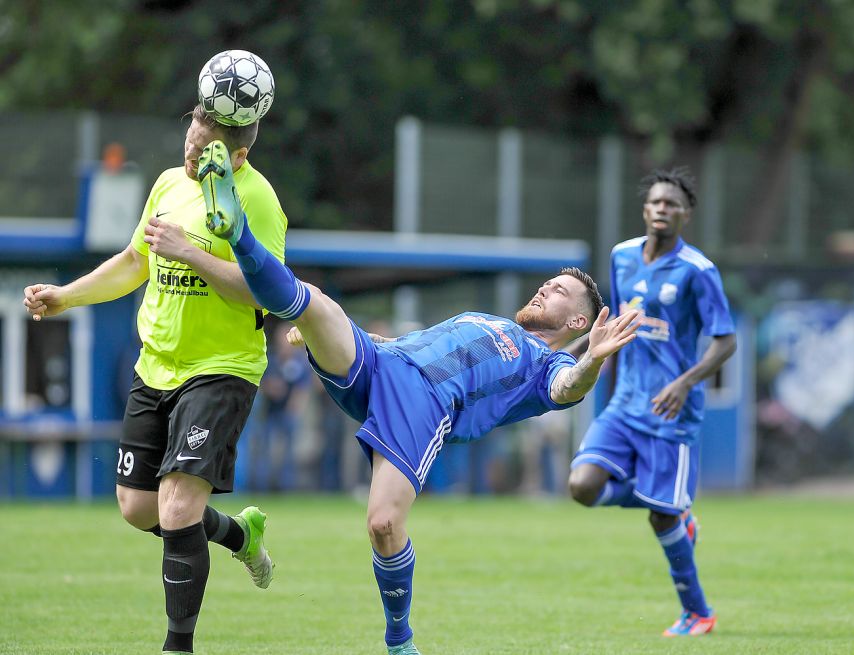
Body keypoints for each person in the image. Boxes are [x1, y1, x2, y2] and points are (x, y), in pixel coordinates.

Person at [195, 139, 641, 655]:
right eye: (546, 284)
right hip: (383, 364)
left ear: (578, 323)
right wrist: (332, 333)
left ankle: (400, 642)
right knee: (312, 303)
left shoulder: (551, 366)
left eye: (558, 292)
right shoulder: (489, 319)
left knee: (383, 524)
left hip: (423, 403)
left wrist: (594, 359)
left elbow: (571, 388)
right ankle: (237, 227)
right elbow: (409, 344)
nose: (543, 290)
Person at [23, 104, 286, 655]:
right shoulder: (168, 183)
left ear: (238, 155)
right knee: (139, 508)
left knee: (177, 507)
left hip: (221, 369)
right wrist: (65, 296)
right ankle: (240, 534)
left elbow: (264, 290)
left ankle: (177, 647)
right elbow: (132, 262)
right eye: (189, 139)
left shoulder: (256, 199)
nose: (191, 155)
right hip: (156, 366)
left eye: (205, 150)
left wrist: (189, 252)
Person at [567, 167, 737, 637]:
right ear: (645, 209)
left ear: (686, 216)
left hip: (671, 411)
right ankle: (675, 510)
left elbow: (725, 342)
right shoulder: (621, 257)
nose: (663, 209)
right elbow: (613, 327)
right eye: (656, 202)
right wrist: (572, 355)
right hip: (624, 403)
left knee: (660, 517)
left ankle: (698, 613)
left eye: (673, 205)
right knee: (581, 486)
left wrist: (685, 383)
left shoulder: (698, 272)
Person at [251, 320, 312, 491]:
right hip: (269, 412)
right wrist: (271, 387)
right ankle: (262, 488)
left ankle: (287, 488)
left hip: (289, 413)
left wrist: (296, 407)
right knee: (265, 451)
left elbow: (303, 387)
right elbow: (260, 382)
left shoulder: (300, 362)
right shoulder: (270, 359)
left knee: (289, 453)